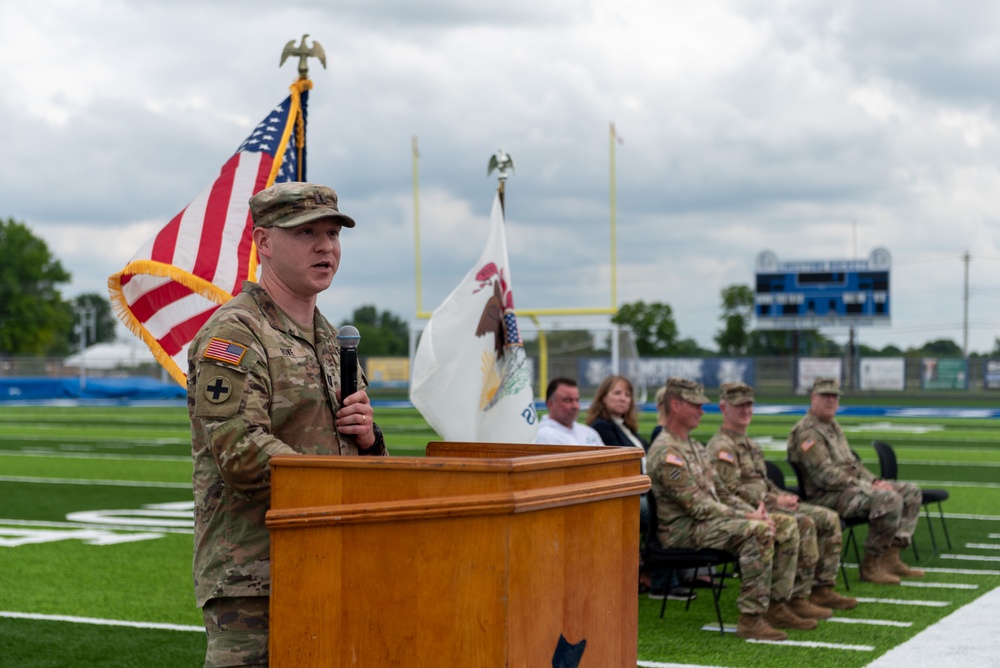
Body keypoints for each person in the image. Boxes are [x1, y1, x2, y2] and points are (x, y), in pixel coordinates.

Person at [187, 182, 388, 668]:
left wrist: (369, 439)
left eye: (333, 233)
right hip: (256, 578)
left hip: (332, 559)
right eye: (306, 233)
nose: (325, 246)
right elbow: (240, 451)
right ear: (264, 242)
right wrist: (334, 489)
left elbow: (360, 459)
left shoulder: (332, 338)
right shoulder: (235, 333)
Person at [648, 377, 791, 641]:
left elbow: (721, 492)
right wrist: (746, 517)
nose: (702, 411)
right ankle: (751, 619)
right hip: (682, 530)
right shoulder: (666, 452)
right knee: (757, 532)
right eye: (695, 405)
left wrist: (756, 512)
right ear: (676, 405)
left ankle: (779, 606)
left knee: (779, 523)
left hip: (705, 524)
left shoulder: (694, 446)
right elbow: (697, 507)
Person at [707, 382, 857, 619]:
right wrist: (774, 500)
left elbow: (763, 481)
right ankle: (785, 600)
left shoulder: (750, 444)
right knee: (804, 522)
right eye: (739, 406)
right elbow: (729, 490)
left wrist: (781, 495)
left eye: (749, 405)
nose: (745, 410)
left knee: (828, 518)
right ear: (723, 408)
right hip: (748, 509)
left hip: (767, 503)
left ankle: (816, 589)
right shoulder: (722, 447)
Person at [787, 377, 923, 585]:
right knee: (888, 499)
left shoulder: (832, 426)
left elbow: (853, 465)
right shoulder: (808, 432)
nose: (831, 401)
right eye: (825, 396)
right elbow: (824, 476)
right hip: (826, 496)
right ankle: (870, 566)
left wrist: (875, 481)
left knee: (911, 492)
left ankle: (890, 557)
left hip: (849, 489)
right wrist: (867, 486)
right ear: (813, 398)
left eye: (835, 396)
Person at [534, 377, 604, 446]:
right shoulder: (543, 436)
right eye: (568, 400)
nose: (575, 406)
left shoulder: (589, 433)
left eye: (577, 400)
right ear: (550, 404)